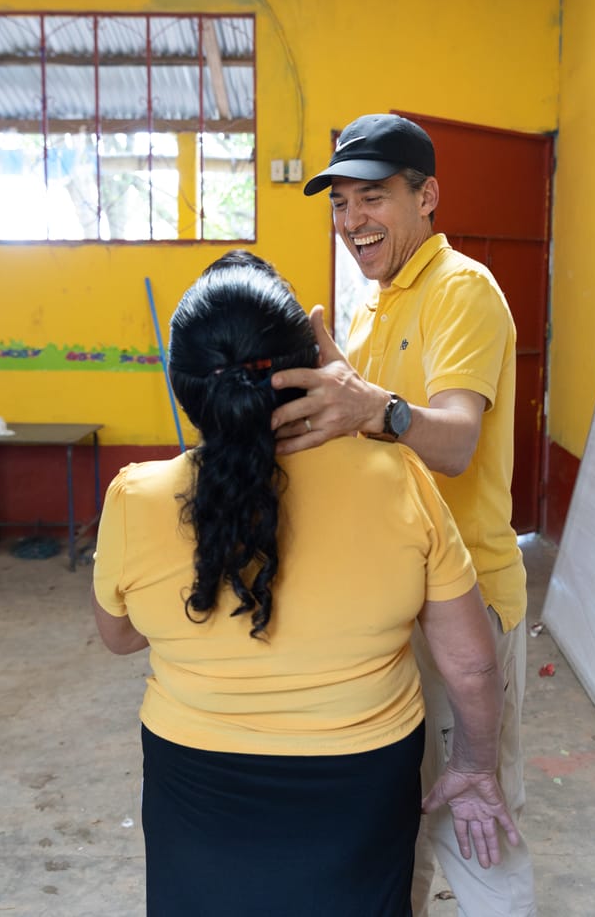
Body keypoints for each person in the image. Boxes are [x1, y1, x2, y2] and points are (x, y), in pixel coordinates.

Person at [91, 253, 519, 917]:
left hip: (196, 780)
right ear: (309, 367)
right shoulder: (397, 477)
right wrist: (472, 766)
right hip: (362, 777)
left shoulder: (136, 497)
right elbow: (469, 667)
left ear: (187, 385)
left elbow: (118, 637)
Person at [271, 114, 537, 917]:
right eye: (340, 203)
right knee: (402, 817)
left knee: (477, 815)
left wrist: (371, 404)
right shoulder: (370, 306)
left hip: (469, 600)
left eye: (373, 198)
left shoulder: (461, 289)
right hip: (392, 605)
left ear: (427, 197)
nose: (353, 221)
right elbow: (374, 442)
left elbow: (452, 439)